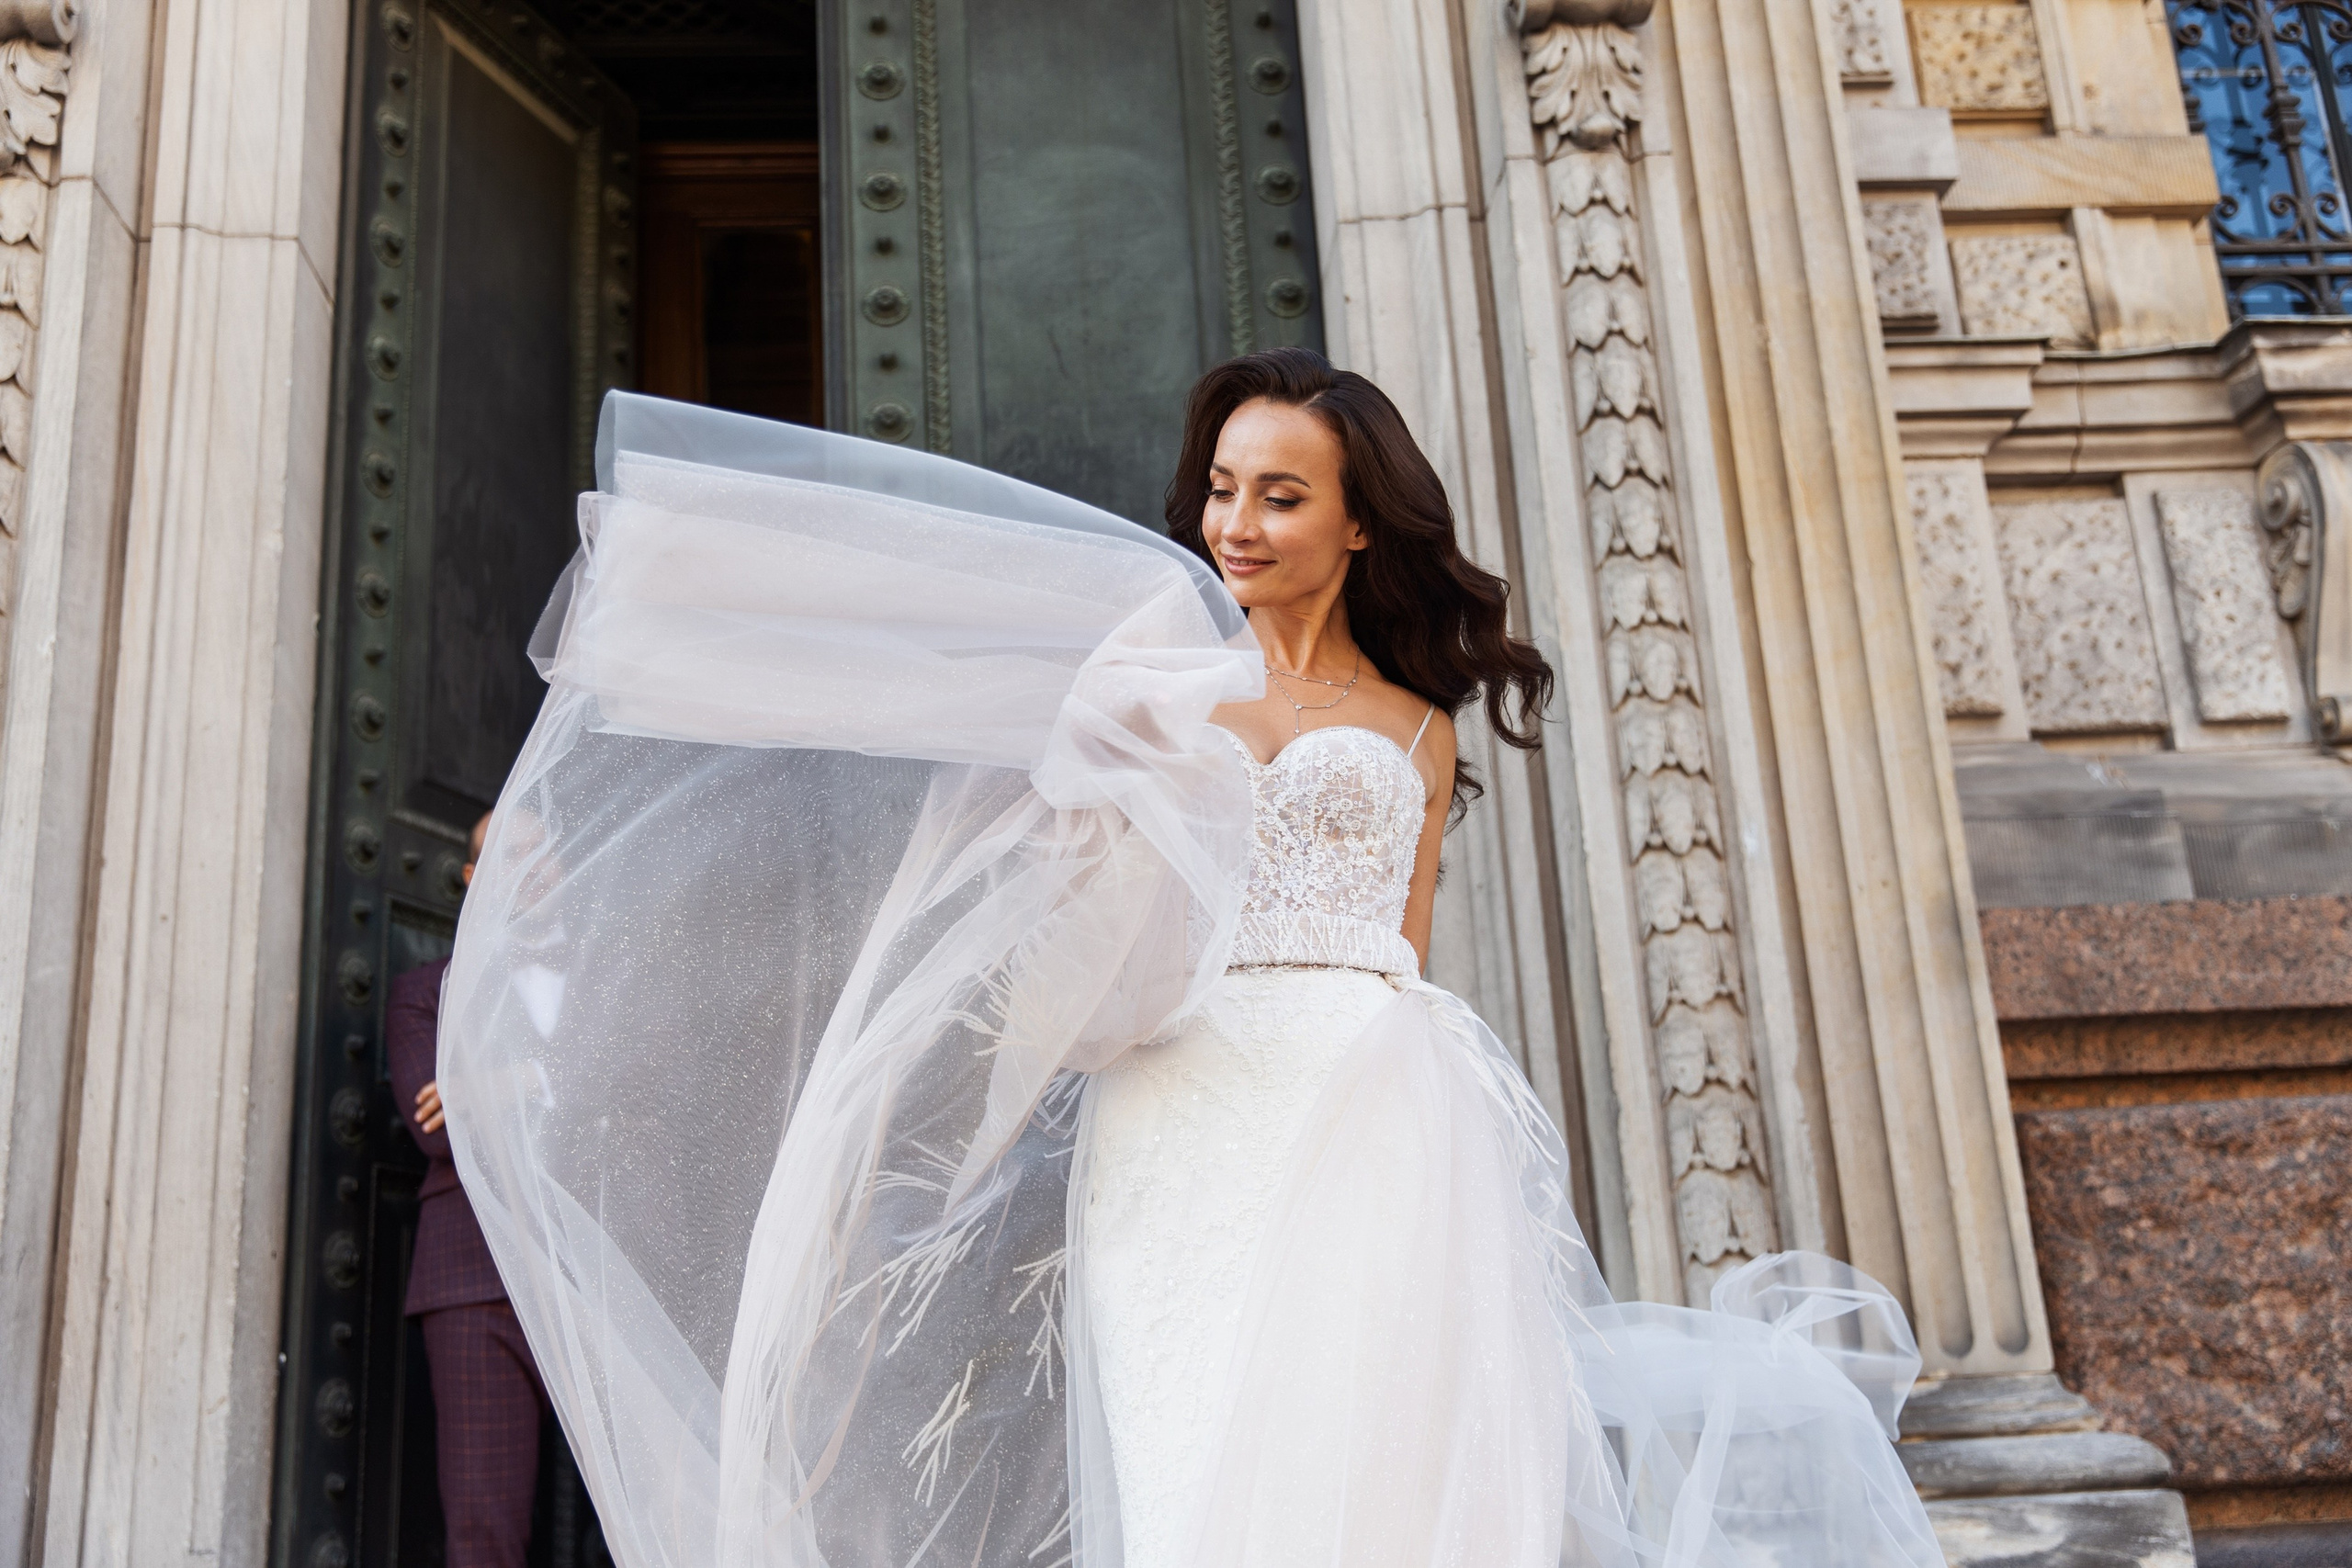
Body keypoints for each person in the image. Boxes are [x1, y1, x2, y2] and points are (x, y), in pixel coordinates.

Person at [436, 360, 1943, 1567]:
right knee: (1179, 1430)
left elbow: (1400, 948)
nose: (1237, 521)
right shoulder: (1152, 688)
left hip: (1372, 1101)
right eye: (1223, 488)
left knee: (1369, 1435)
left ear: (1360, 523)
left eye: (1281, 495)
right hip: (1177, 1105)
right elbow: (1076, 920)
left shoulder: (1423, 719)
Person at [387, 810, 550, 1568]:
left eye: (544, 852)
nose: (532, 865)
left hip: (610, 1280)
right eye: (507, 852)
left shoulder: (618, 989)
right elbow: (436, 1128)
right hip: (475, 1280)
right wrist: (566, 1086)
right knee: (485, 1536)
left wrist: (510, 1079)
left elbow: (642, 1111)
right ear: (472, 878)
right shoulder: (426, 994)